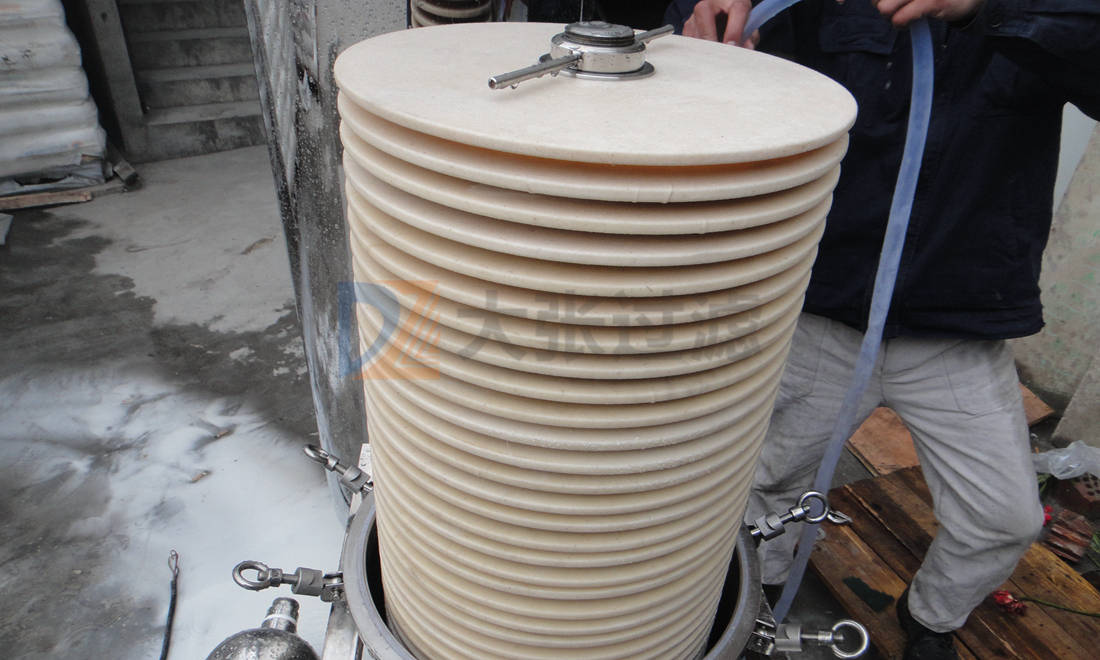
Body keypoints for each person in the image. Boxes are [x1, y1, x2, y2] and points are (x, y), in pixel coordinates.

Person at [665, 1, 1100, 658]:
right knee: (764, 484)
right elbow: (691, 52)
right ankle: (763, 594)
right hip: (825, 311)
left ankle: (931, 618)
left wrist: (988, 9)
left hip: (955, 328)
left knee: (1003, 516)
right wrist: (702, 27)